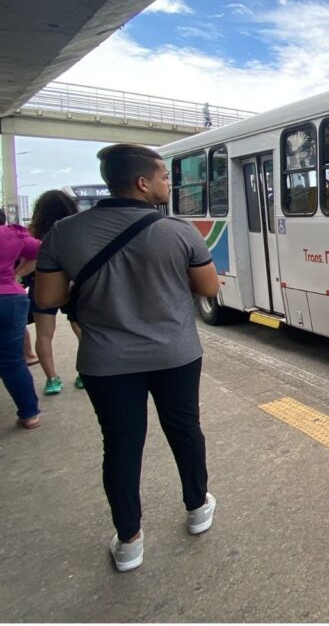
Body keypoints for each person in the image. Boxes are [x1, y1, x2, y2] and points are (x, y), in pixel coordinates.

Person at [35, 144, 221, 572]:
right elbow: (208, 288)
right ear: (142, 183)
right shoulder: (179, 231)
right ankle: (197, 509)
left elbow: (48, 298)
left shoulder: (65, 232)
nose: (167, 183)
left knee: (120, 445)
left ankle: (130, 541)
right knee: (185, 429)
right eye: (163, 177)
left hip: (106, 360)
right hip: (175, 354)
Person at [24, 189, 83, 394]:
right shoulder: (75, 230)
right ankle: (83, 374)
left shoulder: (34, 233)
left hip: (41, 285)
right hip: (72, 284)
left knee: (44, 335)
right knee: (82, 331)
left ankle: (52, 380)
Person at [0, 217, 42, 429]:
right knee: (13, 362)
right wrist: (15, 275)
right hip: (10, 298)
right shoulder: (11, 234)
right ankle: (29, 414)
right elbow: (39, 250)